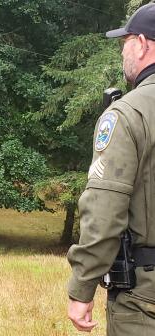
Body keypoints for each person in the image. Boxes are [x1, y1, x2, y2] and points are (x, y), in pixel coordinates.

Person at [67, 3, 155, 334]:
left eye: (126, 42)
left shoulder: (129, 114)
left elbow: (105, 211)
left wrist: (82, 287)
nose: (123, 53)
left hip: (145, 301)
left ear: (144, 44)